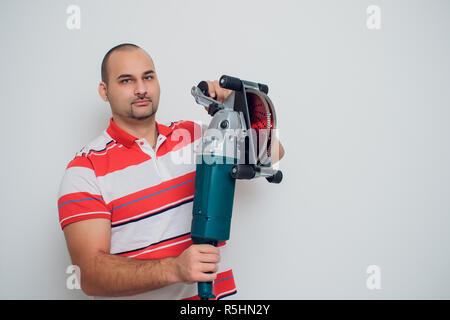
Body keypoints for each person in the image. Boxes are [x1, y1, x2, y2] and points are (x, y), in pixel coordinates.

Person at [57, 43, 284, 299]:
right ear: (104, 90)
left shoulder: (197, 137)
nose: (141, 89)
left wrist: (235, 109)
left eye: (148, 77)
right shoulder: (85, 171)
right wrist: (174, 269)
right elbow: (89, 275)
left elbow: (272, 152)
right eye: (126, 80)